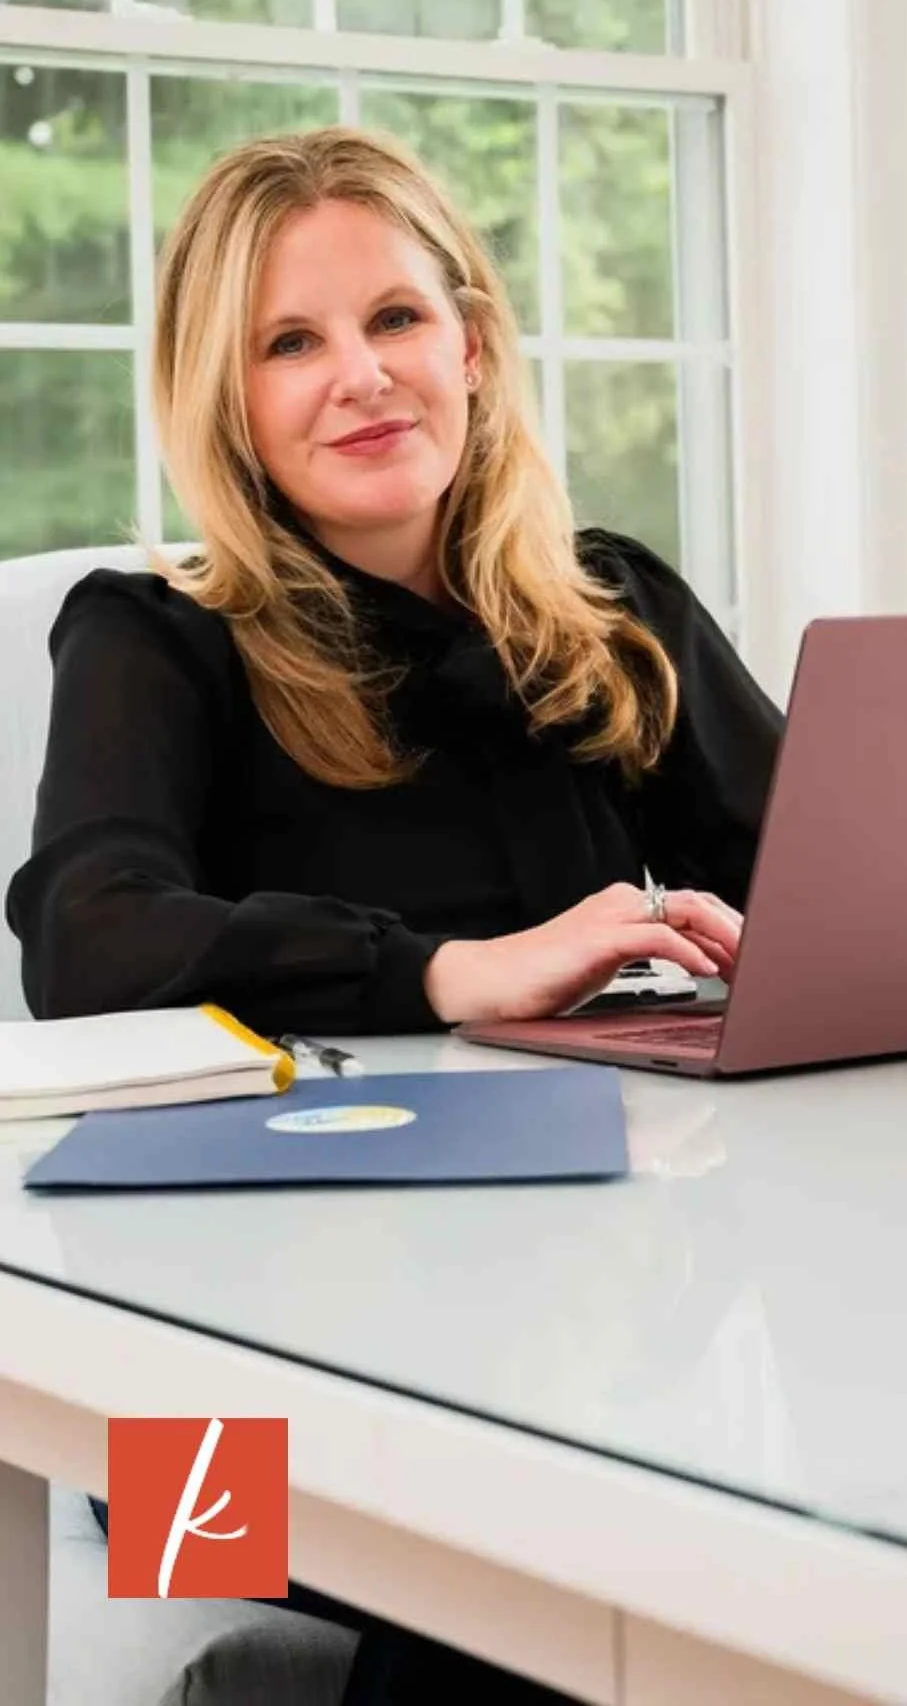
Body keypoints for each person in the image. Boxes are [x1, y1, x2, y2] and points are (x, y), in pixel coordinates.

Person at [5, 126, 782, 1699]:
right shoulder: (155, 637)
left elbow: (812, 874)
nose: (360, 375)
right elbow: (83, 937)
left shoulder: (609, 606)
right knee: (550, 1590)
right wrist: (452, 975)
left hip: (586, 1305)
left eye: (399, 320)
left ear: (475, 350)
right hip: (191, 1406)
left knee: (736, 1547)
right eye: (290, 342)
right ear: (226, 398)